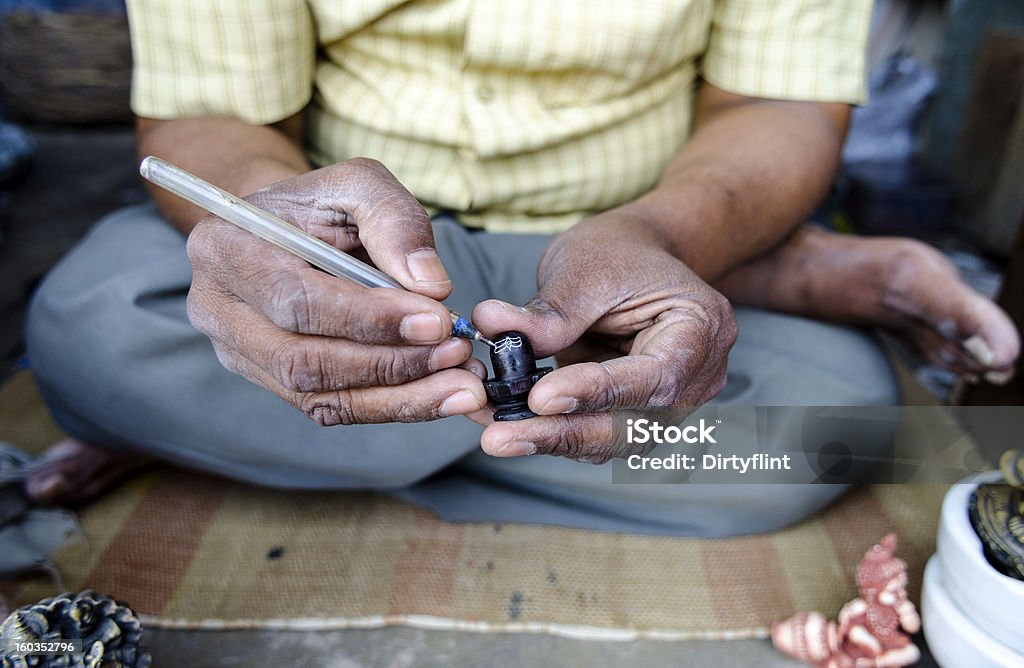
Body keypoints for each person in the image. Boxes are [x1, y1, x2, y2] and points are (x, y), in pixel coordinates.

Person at [23, 0, 1019, 535]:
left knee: (837, 436)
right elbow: (214, 117)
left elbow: (782, 107)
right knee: (84, 328)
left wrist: (666, 243)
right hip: (366, 253)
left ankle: (246, 432)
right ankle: (747, 291)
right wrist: (276, 239)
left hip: (645, 233)